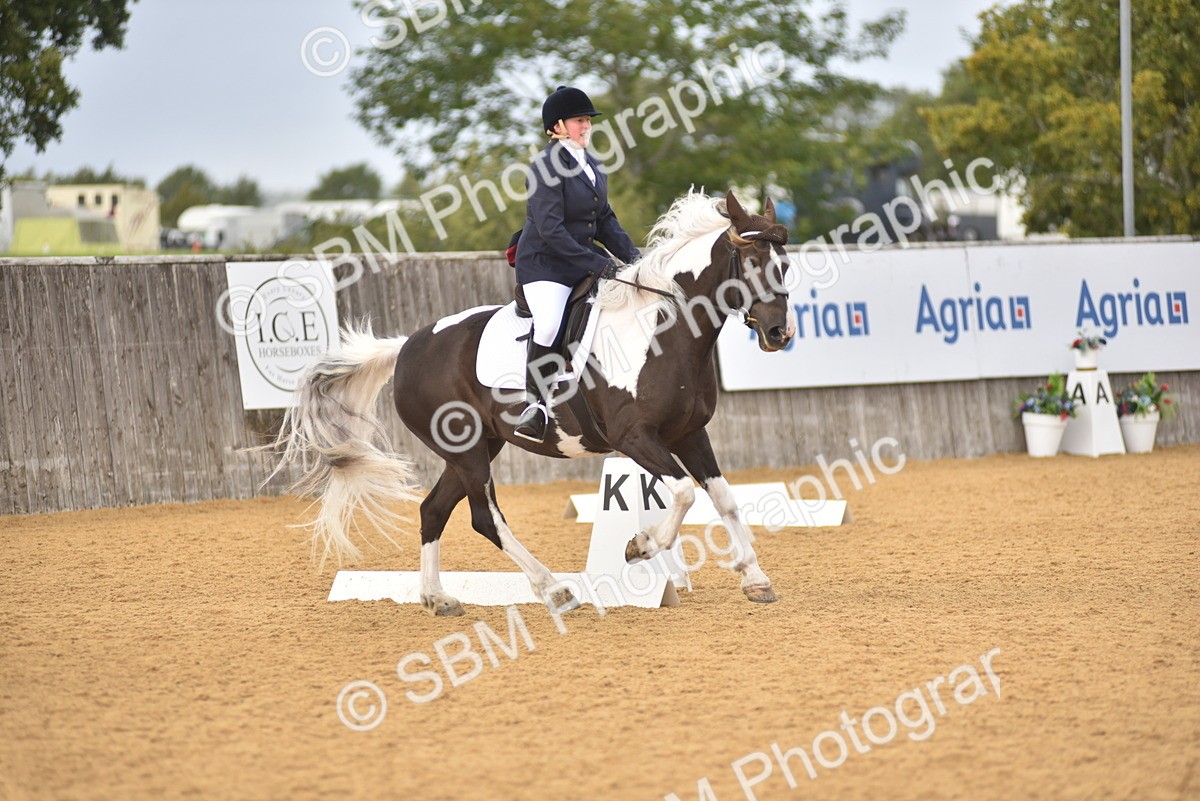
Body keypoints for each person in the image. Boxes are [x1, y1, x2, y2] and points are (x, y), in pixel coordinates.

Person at [511, 85, 641, 443]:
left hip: (581, 261)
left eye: (587, 120)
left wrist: (638, 263)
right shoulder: (544, 167)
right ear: (556, 126)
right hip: (545, 266)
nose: (586, 126)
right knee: (550, 323)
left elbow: (606, 222)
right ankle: (534, 406)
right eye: (579, 120)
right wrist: (597, 264)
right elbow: (551, 230)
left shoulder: (592, 165)